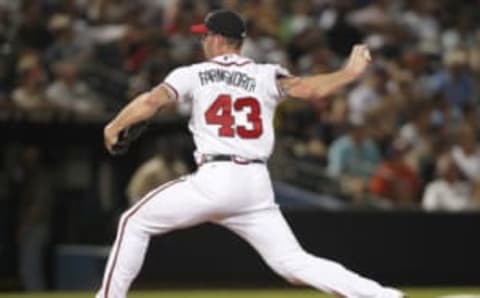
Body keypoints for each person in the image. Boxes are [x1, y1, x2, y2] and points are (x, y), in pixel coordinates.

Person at [98, 9, 404, 298]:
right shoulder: (265, 74)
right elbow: (310, 90)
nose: (203, 41)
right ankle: (382, 296)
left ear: (218, 39)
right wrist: (349, 72)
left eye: (205, 36)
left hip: (214, 178)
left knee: (133, 222)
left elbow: (152, 101)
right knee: (293, 263)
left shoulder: (193, 73)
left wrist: (114, 125)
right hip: (254, 185)